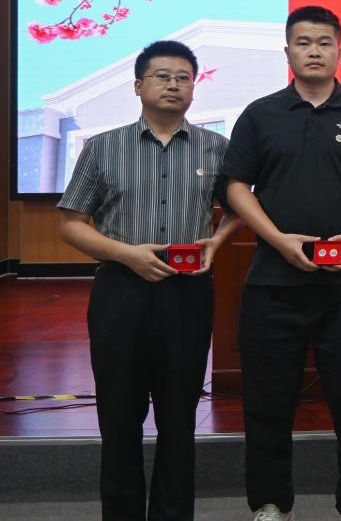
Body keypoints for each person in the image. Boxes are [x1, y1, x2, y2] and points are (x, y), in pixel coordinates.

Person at [221, 5, 341, 521]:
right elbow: (236, 186)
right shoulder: (260, 113)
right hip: (273, 283)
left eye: (324, 42)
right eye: (303, 42)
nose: (314, 51)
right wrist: (277, 240)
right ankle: (271, 503)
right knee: (268, 401)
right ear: (287, 51)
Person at [58, 39, 241, 521]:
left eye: (183, 77)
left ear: (193, 88)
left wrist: (216, 242)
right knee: (119, 416)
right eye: (162, 76)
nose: (173, 84)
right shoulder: (103, 147)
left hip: (187, 293)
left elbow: (241, 208)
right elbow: (71, 223)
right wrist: (128, 255)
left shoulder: (216, 148)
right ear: (138, 86)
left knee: (179, 418)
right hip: (120, 291)